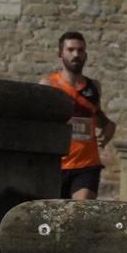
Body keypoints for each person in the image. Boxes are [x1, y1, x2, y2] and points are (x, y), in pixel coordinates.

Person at [42, 31, 115, 200]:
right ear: (60, 54)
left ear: (85, 54)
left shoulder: (94, 86)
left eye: (80, 50)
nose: (76, 54)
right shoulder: (49, 84)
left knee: (81, 210)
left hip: (87, 164)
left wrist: (109, 127)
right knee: (54, 213)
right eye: (71, 50)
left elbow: (96, 116)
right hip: (56, 163)